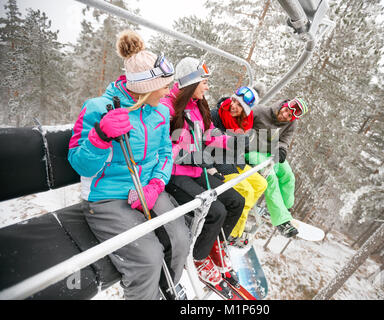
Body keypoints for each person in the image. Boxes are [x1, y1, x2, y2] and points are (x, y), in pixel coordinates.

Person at [68, 30, 190, 300]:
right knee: (147, 257)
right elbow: (80, 164)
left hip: (147, 189)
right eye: (165, 85)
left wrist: (156, 184)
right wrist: (99, 137)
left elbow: (165, 151)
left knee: (181, 238)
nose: (170, 91)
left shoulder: (160, 111)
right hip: (107, 196)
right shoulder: (98, 108)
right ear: (146, 87)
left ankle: (167, 287)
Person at [161, 57, 245, 294]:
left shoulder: (199, 106)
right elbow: (163, 146)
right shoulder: (168, 106)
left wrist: (232, 142)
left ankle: (214, 246)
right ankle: (199, 257)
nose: (207, 87)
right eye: (204, 82)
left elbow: (208, 135)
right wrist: (188, 152)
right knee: (215, 210)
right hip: (175, 175)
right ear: (191, 82)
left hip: (196, 169)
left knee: (236, 201)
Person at [210, 84, 268, 247]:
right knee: (246, 192)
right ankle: (232, 233)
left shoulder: (244, 123)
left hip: (235, 161)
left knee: (261, 183)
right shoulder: (217, 115)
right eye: (234, 101)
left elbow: (238, 146)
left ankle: (236, 220)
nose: (233, 106)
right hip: (219, 162)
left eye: (239, 105)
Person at [246, 96, 309, 238]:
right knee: (270, 176)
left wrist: (282, 150)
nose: (285, 115)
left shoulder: (291, 124)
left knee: (288, 176)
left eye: (290, 116)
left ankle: (282, 209)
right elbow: (242, 128)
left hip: (270, 152)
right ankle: (281, 221)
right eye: (286, 110)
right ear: (283, 105)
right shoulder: (260, 111)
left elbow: (284, 141)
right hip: (252, 151)